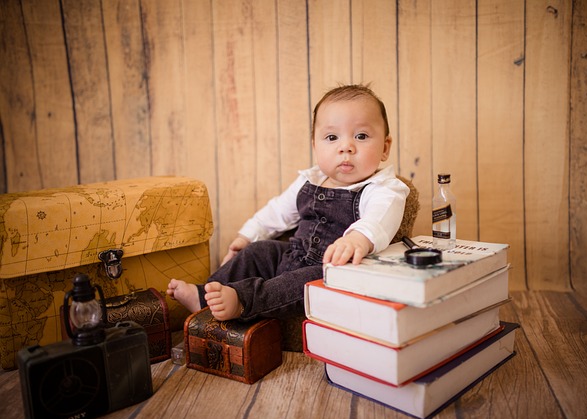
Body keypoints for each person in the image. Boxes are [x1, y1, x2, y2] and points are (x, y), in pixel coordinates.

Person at [167, 84, 409, 321]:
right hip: (293, 254)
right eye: (332, 137)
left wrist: (358, 238)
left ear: (385, 147)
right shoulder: (311, 179)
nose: (346, 147)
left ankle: (242, 301)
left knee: (301, 283)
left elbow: (380, 217)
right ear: (315, 145)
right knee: (259, 251)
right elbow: (277, 212)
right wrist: (247, 235)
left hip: (333, 270)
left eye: (361, 136)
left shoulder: (383, 188)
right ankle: (204, 294)